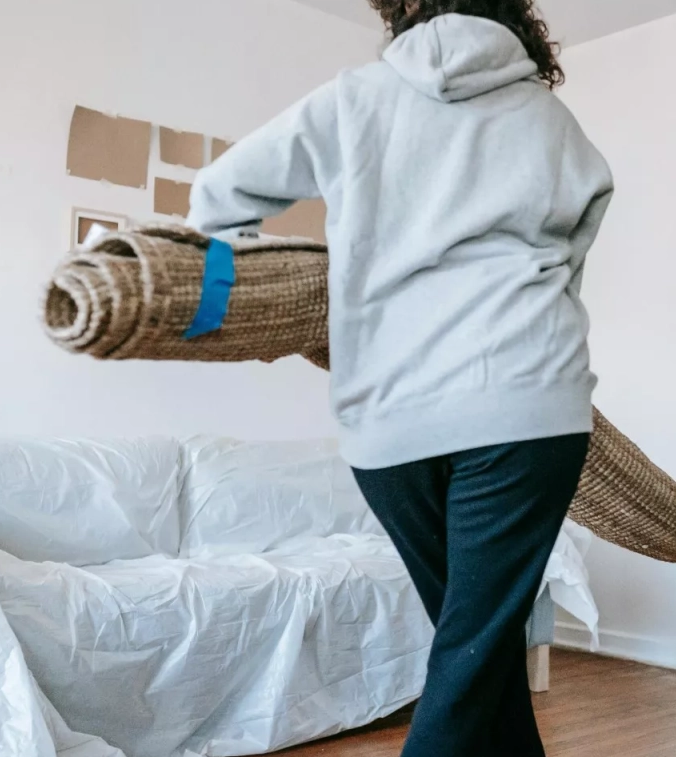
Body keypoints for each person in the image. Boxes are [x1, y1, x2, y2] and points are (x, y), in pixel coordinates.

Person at [186, 2, 613, 755]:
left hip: (389, 420)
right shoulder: (552, 121)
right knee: (474, 652)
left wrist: (236, 293)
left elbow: (220, 196)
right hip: (528, 405)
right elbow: (573, 254)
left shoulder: (353, 98)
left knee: (474, 649)